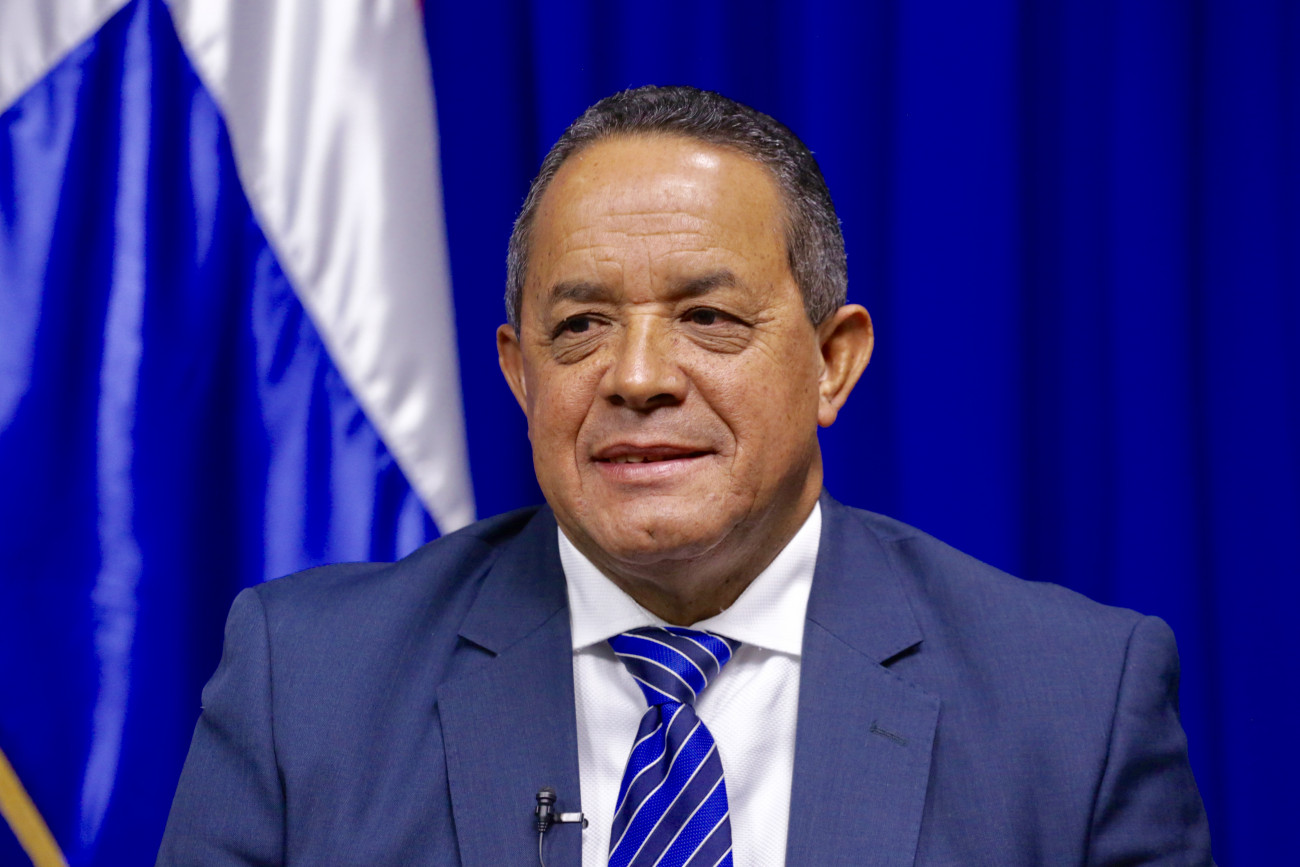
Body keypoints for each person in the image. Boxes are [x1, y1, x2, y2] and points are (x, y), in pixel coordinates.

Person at [157, 86, 1213, 866]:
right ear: (520, 375)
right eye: (581, 326)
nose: (638, 377)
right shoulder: (308, 685)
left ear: (832, 361)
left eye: (708, 318)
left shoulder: (1073, 706)